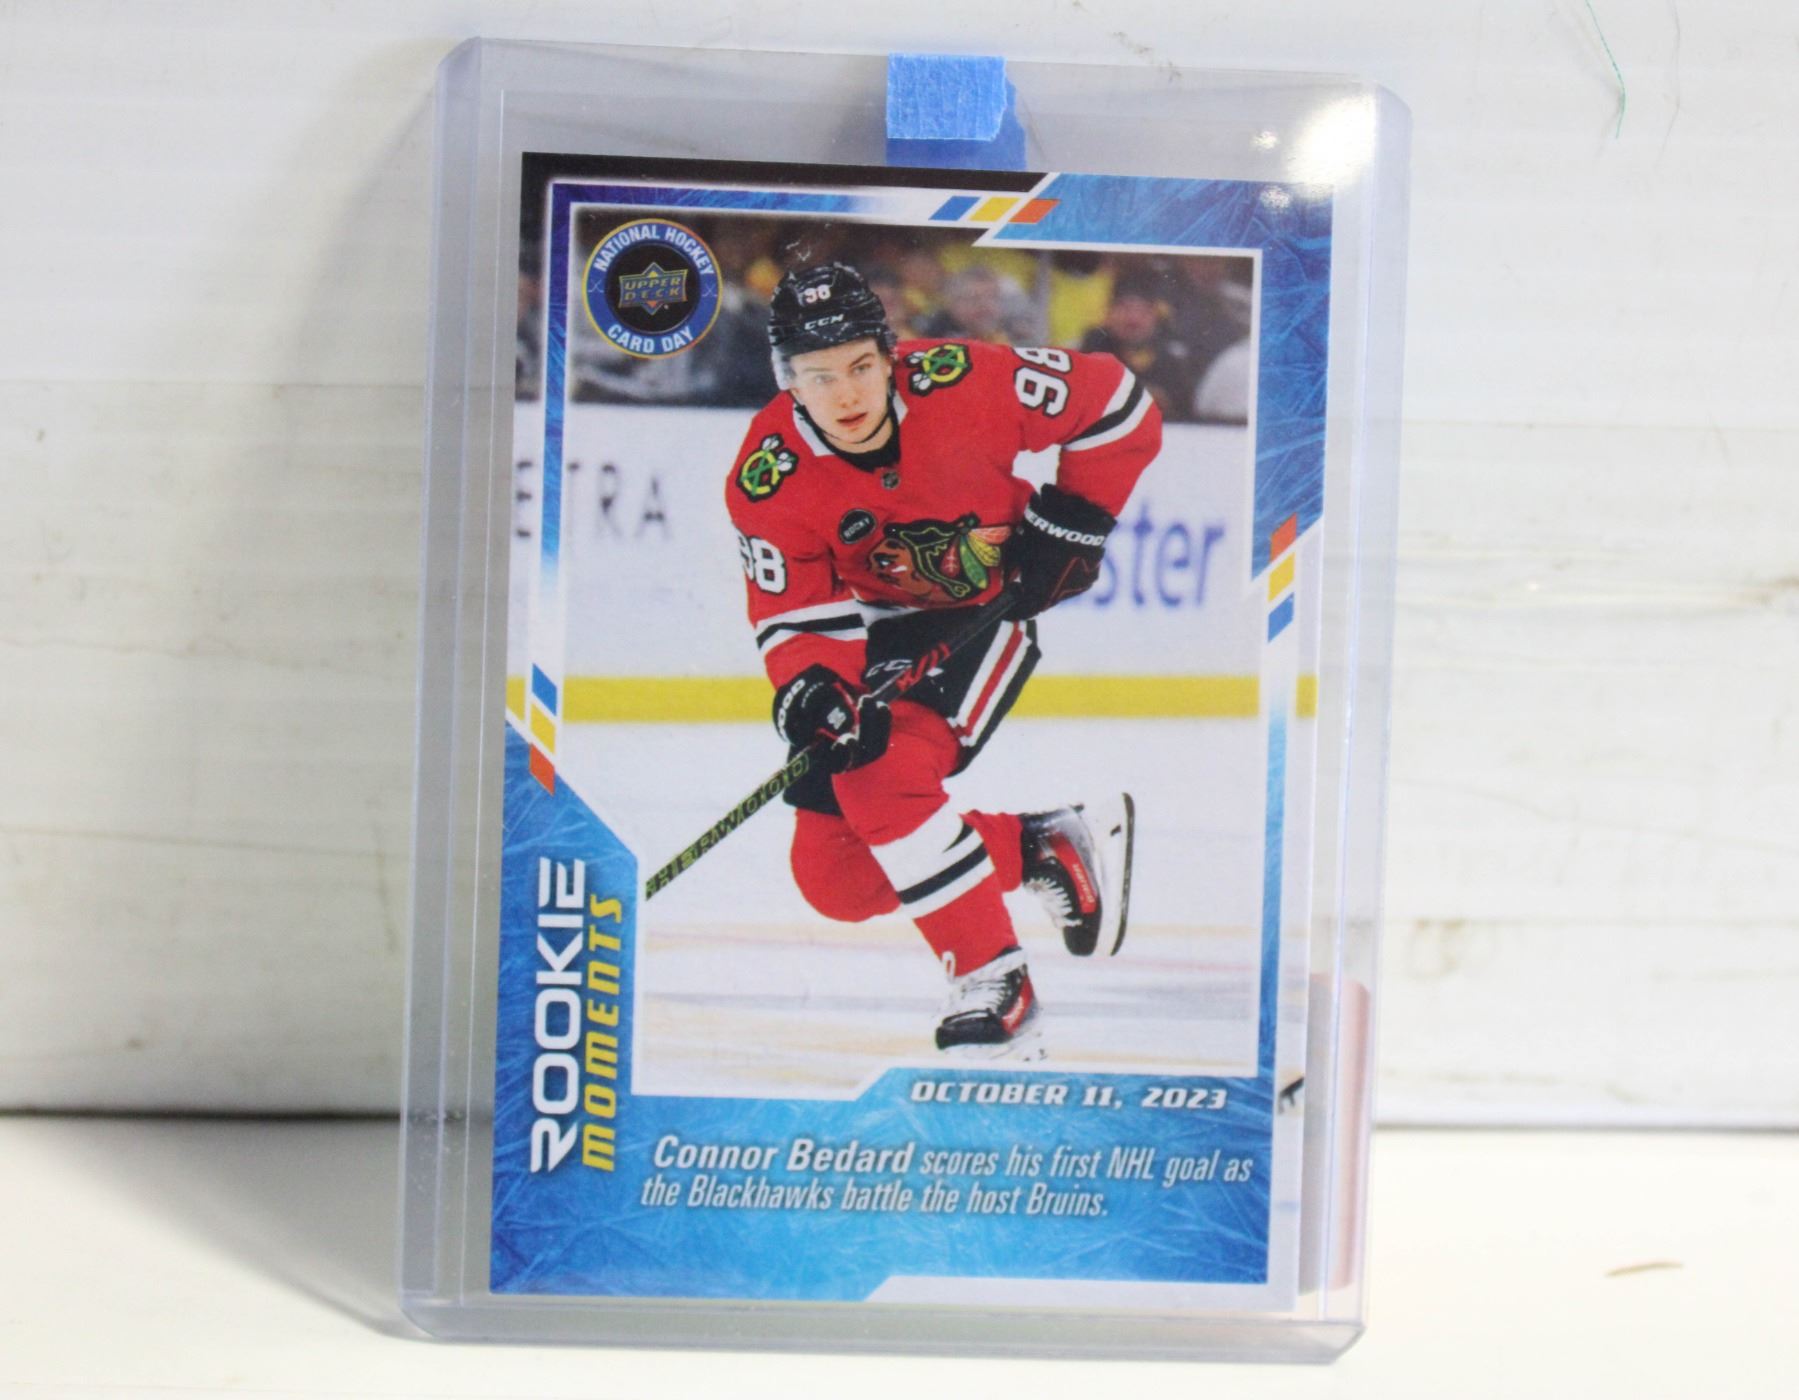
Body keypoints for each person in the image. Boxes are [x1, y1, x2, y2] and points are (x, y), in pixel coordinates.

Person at [723, 263, 1163, 1056]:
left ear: (889, 354)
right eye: (820, 377)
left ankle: (995, 981)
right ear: (786, 380)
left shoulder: (963, 381)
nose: (846, 394)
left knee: (881, 776)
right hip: (865, 633)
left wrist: (1076, 519)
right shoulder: (768, 476)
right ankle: (1039, 845)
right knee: (835, 879)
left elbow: (1118, 403)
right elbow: (793, 613)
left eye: (861, 366)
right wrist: (814, 690)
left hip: (978, 614)